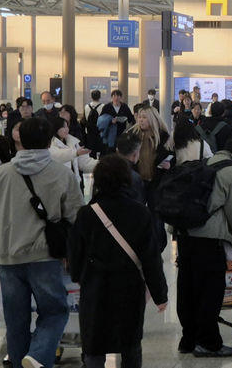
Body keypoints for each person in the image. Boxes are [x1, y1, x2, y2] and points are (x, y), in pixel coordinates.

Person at [0, 117, 84, 368]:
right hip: (45, 256)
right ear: (49, 142)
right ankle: (37, 355)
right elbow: (76, 216)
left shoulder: (2, 175)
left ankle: (21, 361)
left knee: (16, 321)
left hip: (7, 257)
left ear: (20, 141)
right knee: (55, 311)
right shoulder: (62, 174)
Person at [69, 155, 168, 368]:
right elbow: (151, 258)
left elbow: (75, 252)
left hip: (95, 288)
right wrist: (160, 294)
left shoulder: (87, 214)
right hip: (129, 288)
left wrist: (77, 276)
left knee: (94, 346)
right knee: (130, 345)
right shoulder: (140, 212)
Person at [176, 138, 232, 357]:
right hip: (208, 239)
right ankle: (209, 343)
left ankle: (188, 340)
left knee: (188, 289)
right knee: (209, 292)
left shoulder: (203, 163)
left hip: (184, 235)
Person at [126, 106, 171, 251]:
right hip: (137, 181)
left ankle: (157, 249)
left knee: (156, 218)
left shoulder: (163, 136)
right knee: (136, 215)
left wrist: (169, 165)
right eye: (139, 116)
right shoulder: (131, 135)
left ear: (152, 118)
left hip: (156, 182)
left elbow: (172, 157)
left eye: (144, 117)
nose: (141, 119)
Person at [49, 117, 97, 185]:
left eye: (67, 126)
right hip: (59, 184)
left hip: (75, 183)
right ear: (55, 128)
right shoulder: (50, 143)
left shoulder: (72, 142)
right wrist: (76, 153)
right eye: (63, 127)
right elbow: (59, 155)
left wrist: (102, 164)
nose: (66, 129)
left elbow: (84, 162)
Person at [115, 132, 146, 204]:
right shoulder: (134, 177)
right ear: (135, 154)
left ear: (117, 151)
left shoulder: (105, 170)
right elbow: (139, 204)